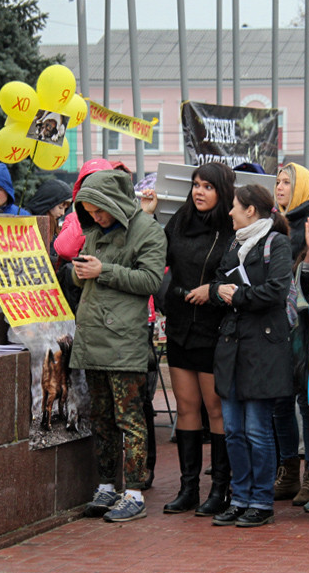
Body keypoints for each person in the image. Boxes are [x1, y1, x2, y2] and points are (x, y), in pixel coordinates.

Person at [72, 170, 167, 523]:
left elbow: (151, 280)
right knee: (101, 417)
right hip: (93, 337)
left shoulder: (147, 231)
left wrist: (104, 271)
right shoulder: (95, 233)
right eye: (89, 211)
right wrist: (77, 272)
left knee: (129, 418)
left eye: (99, 209)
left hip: (124, 341)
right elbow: (85, 273)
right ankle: (107, 485)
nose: (95, 217)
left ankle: (134, 491)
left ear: (114, 202)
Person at [209, 184, 294, 528]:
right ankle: (239, 496)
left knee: (257, 429)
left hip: (263, 348)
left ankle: (261, 500)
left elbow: (276, 291)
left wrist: (237, 295)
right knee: (233, 430)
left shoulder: (278, 242)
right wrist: (220, 292)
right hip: (232, 346)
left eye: (234, 206)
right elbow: (217, 285)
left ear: (251, 210)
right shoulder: (234, 242)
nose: (229, 212)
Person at [161, 162, 236, 517]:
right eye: (195, 184)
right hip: (179, 325)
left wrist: (215, 290)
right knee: (186, 407)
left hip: (214, 328)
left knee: (216, 409)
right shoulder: (179, 220)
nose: (199, 191)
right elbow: (159, 257)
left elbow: (241, 278)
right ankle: (188, 487)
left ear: (222, 190)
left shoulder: (232, 227)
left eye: (207, 186)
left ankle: (220, 488)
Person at [272, 163, 309, 501]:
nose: (279, 187)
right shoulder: (274, 224)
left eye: (287, 182)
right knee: (279, 402)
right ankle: (288, 468)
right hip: (275, 326)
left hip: (304, 328)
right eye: (277, 181)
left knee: (307, 404)